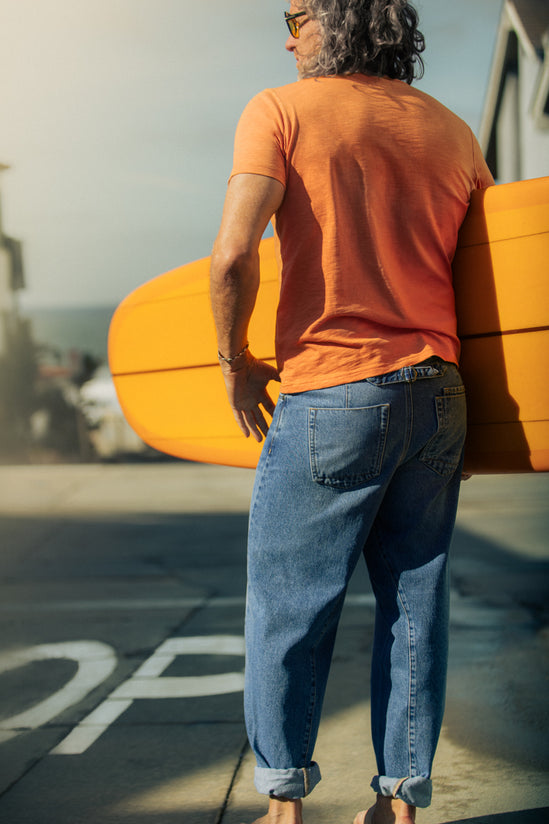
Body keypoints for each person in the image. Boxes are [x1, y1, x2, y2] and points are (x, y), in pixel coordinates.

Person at [210, 2, 494, 823]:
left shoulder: (279, 111)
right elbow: (486, 286)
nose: (286, 33)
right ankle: (400, 803)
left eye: (295, 14)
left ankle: (282, 805)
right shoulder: (450, 131)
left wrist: (236, 365)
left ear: (334, 20)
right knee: (414, 608)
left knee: (289, 609)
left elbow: (233, 254)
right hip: (440, 393)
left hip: (333, 389)